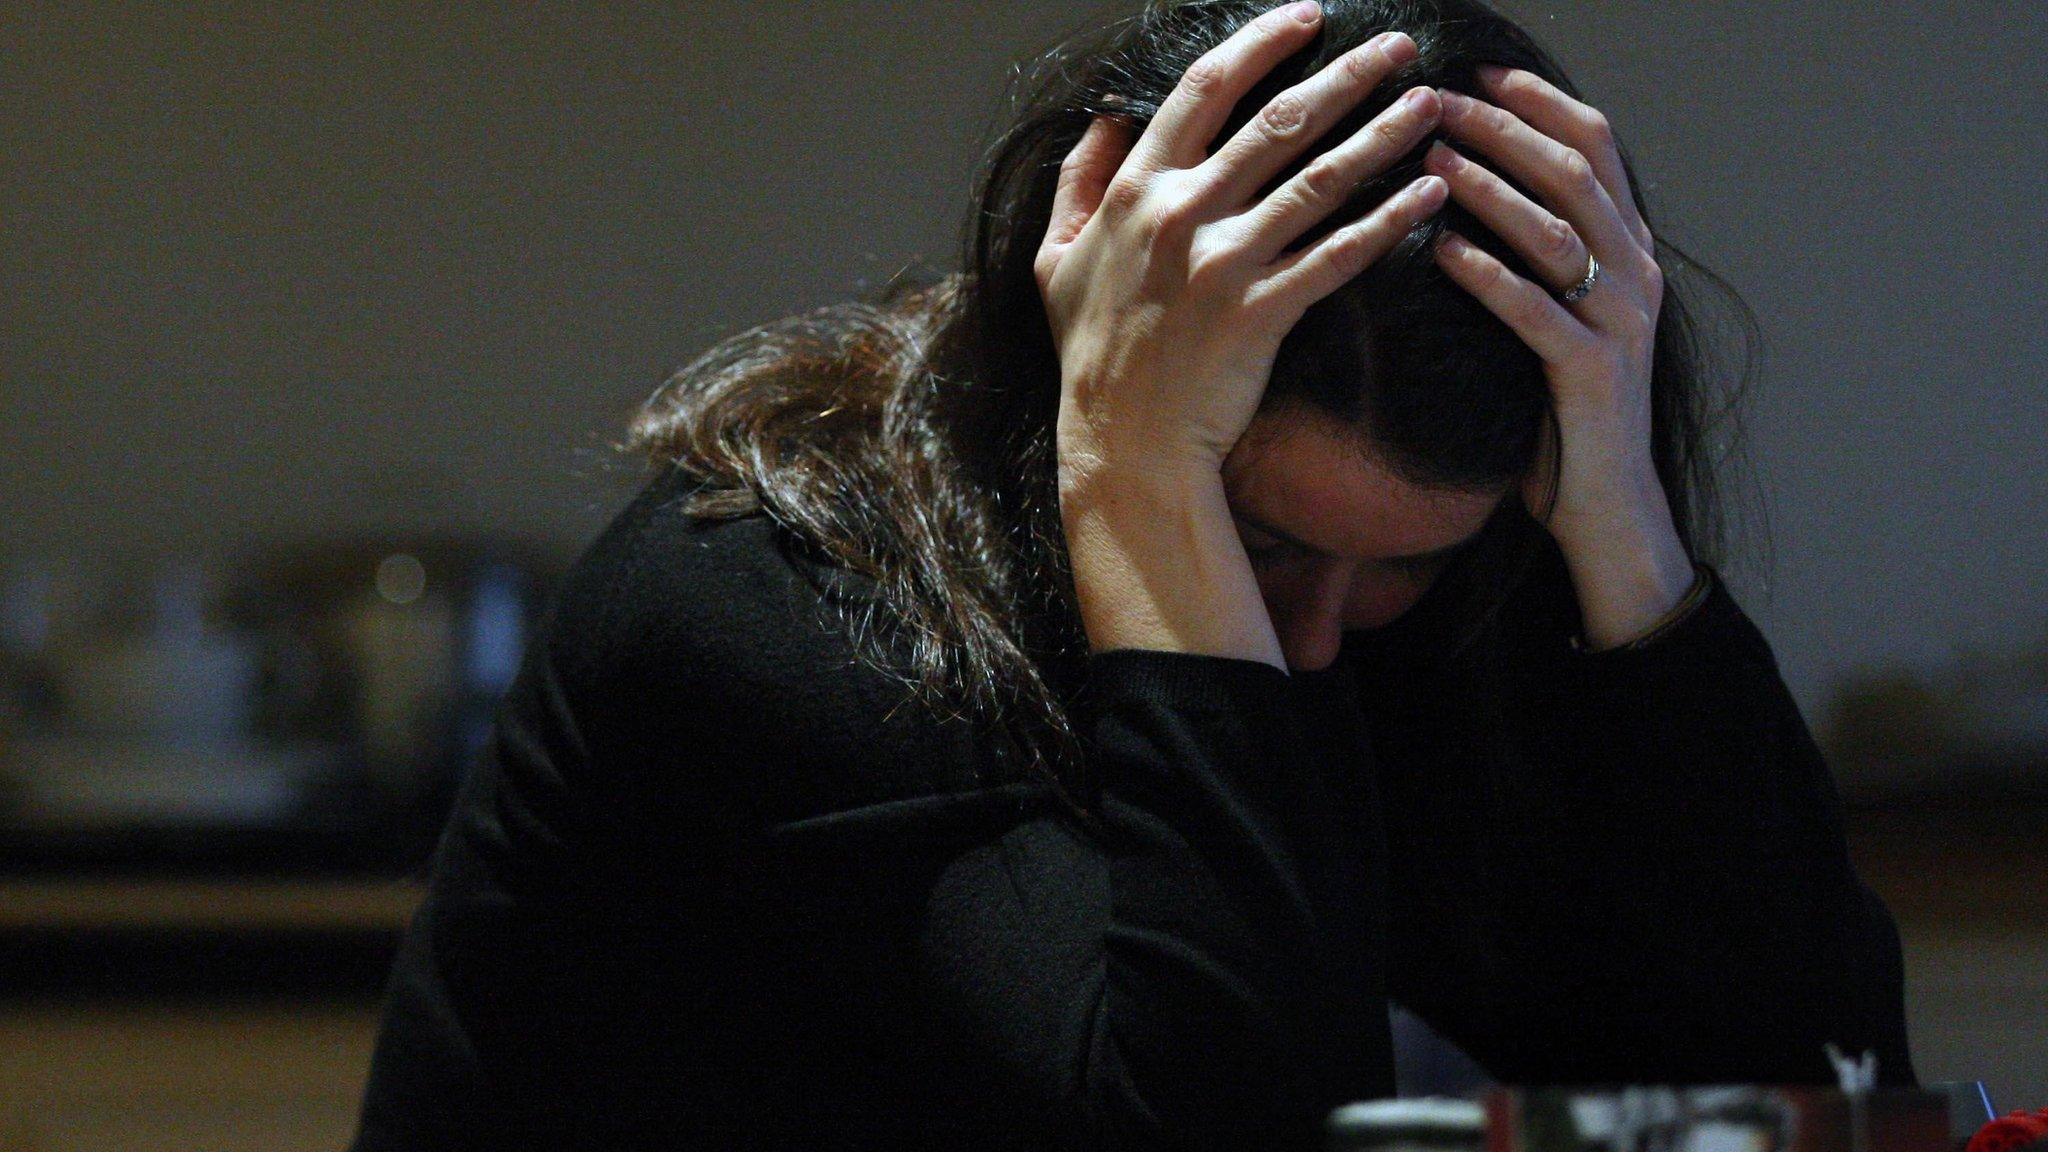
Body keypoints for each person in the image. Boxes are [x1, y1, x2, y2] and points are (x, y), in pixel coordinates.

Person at [348, 1, 1916, 1148]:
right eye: (1265, 542)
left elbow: (1821, 1094)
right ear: (1081, 394)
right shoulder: (775, 598)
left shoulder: (1432, 596)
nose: (1313, 644)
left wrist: (1623, 532)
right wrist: (1136, 480)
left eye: (1403, 569)